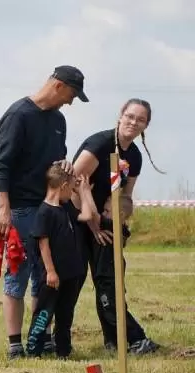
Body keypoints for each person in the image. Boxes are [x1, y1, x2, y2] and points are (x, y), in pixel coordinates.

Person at [0, 65, 89, 360]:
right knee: (17, 274)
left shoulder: (58, 120)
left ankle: (40, 337)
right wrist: (3, 208)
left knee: (45, 275)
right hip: (21, 209)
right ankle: (14, 344)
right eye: (72, 95)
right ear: (58, 86)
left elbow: (56, 161)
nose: (70, 102)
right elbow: (1, 165)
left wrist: (65, 165)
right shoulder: (18, 115)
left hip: (50, 208)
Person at [72, 99, 164, 354]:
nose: (134, 122)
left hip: (105, 222)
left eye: (141, 119)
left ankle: (117, 341)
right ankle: (52, 339)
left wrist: (119, 213)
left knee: (109, 282)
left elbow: (126, 196)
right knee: (74, 281)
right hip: (77, 217)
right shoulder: (100, 144)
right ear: (121, 116)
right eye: (130, 116)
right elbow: (73, 186)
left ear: (146, 125)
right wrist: (93, 223)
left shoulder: (134, 156)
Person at [25, 163, 95, 359]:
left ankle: (63, 350)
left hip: (71, 274)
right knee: (44, 313)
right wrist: (50, 271)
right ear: (63, 186)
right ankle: (34, 349)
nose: (72, 192)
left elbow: (87, 215)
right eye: (71, 188)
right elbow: (43, 244)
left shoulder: (66, 207)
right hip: (53, 277)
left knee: (65, 314)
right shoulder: (45, 212)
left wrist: (83, 192)